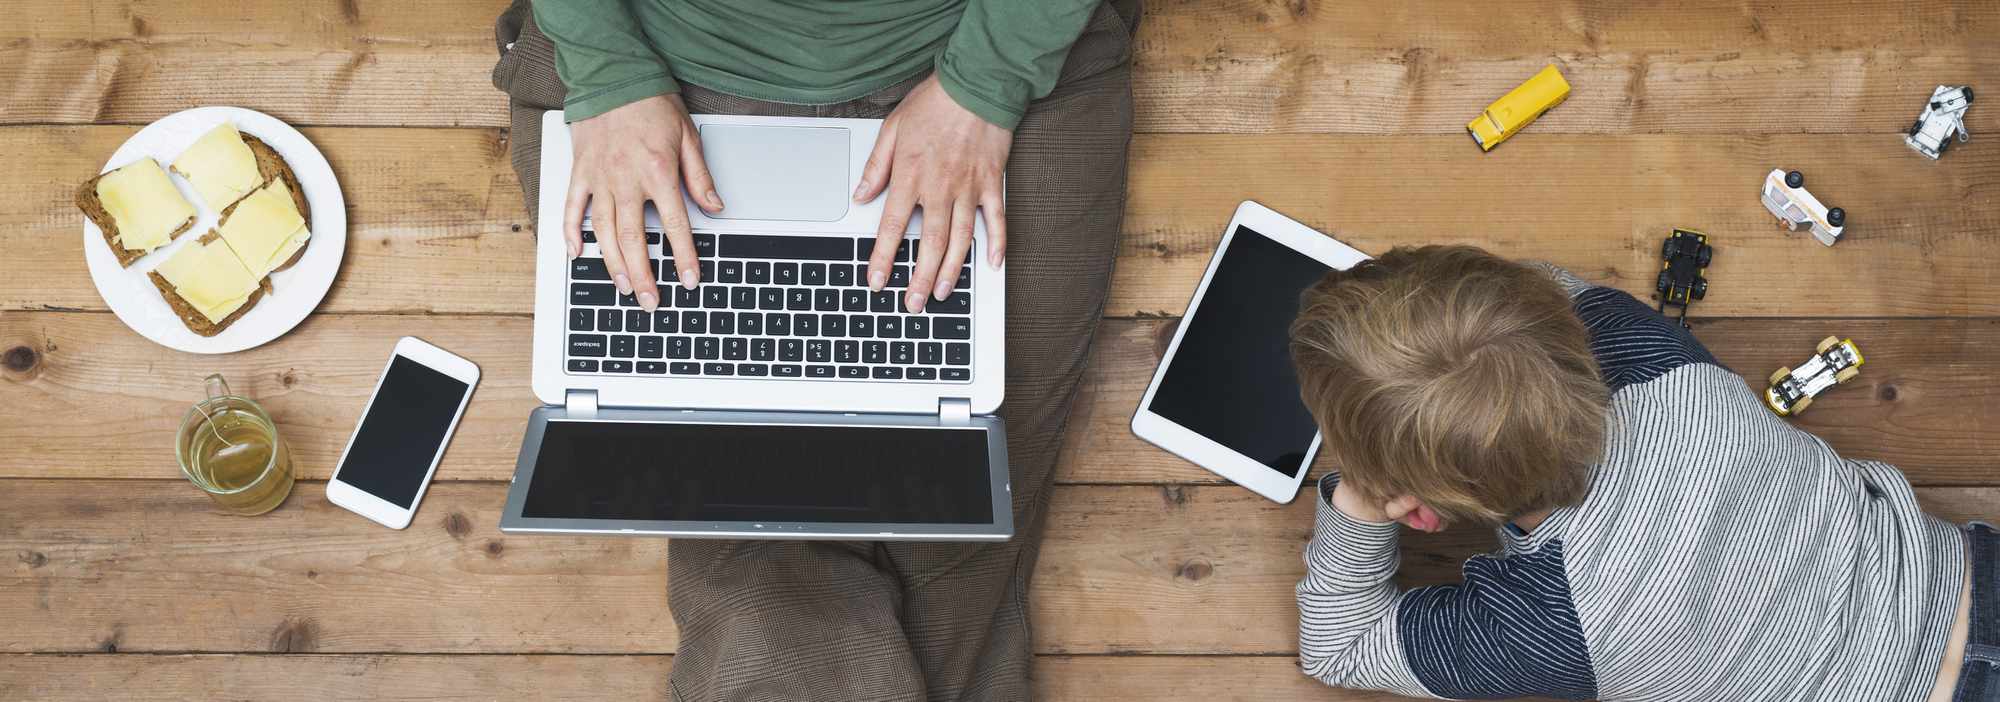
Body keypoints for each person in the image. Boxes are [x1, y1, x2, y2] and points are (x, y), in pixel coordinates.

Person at [490, 0, 1140, 698]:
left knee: (961, 537)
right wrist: (608, 70)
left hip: (990, 41)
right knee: (751, 557)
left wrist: (986, 81)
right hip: (661, 57)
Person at [1286, 245, 1990, 701]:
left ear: (1425, 512)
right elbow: (1541, 294)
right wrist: (1418, 317)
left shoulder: (1549, 622)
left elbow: (1339, 647)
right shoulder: (1649, 353)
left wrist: (1360, 501)